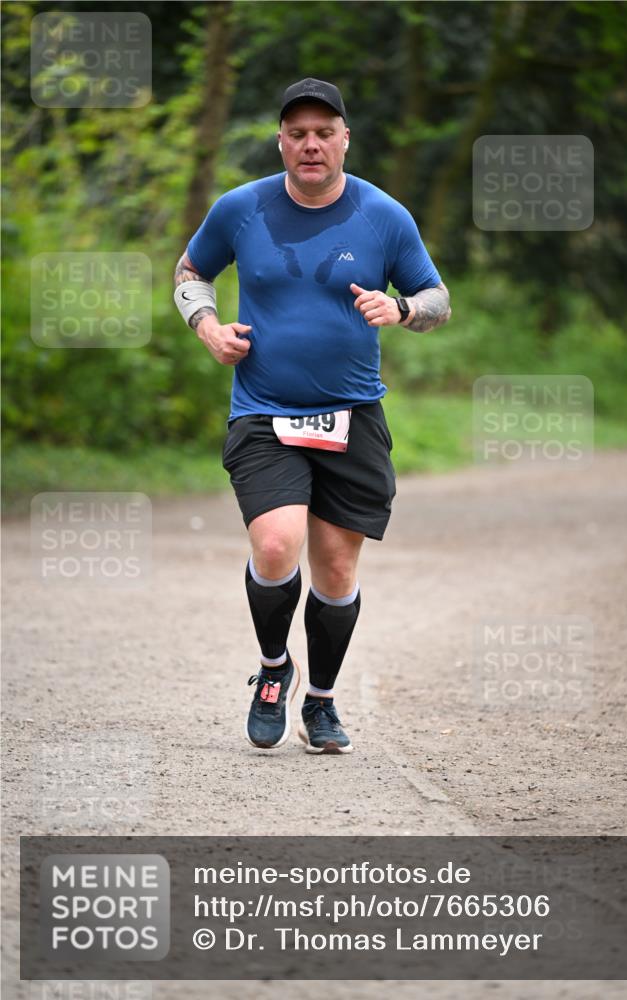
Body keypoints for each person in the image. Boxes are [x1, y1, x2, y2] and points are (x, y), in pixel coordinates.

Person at [173, 78, 451, 755]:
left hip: (351, 416)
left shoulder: (384, 216)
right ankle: (274, 671)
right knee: (274, 546)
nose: (310, 144)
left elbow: (436, 297)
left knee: (334, 572)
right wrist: (206, 327)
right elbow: (189, 271)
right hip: (263, 412)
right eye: (296, 132)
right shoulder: (241, 209)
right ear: (280, 141)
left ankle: (321, 701)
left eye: (323, 132)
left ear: (344, 139)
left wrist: (403, 310)